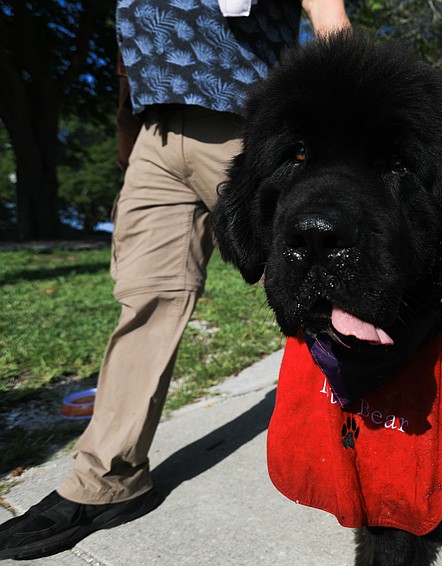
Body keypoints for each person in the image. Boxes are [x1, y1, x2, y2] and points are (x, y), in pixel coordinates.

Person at [0, 0, 350, 560]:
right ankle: (109, 481)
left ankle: (385, 440)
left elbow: (324, 10)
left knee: (324, 282)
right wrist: (126, 123)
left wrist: (343, 125)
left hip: (253, 131)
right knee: (146, 298)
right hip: (155, 134)